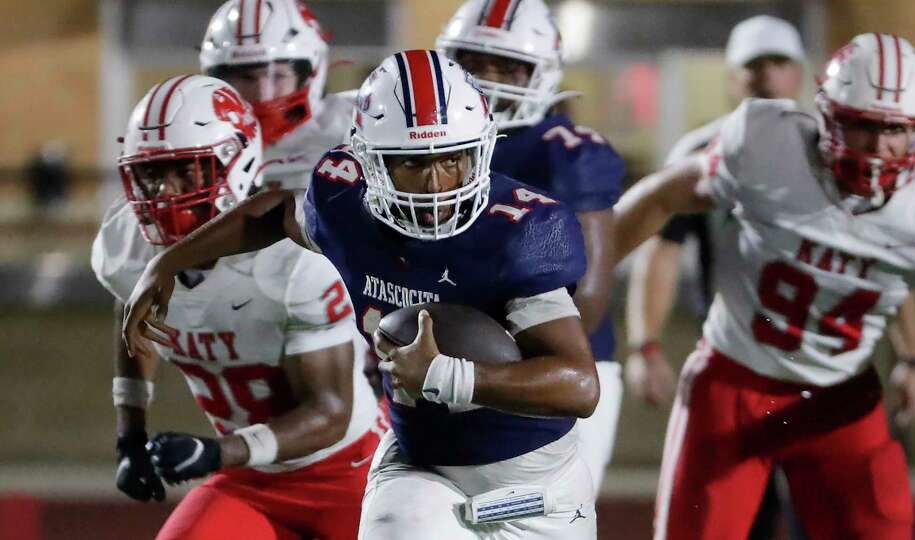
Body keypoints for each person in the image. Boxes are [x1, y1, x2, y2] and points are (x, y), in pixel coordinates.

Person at [121, 51, 600, 540]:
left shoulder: (521, 232)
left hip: (540, 483)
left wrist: (444, 374)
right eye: (412, 163)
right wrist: (166, 263)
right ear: (369, 161)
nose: (436, 186)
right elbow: (270, 213)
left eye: (452, 159)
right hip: (422, 469)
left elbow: (579, 388)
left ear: (480, 149)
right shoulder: (344, 205)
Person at [614, 33, 915, 539]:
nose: (879, 149)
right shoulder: (767, 143)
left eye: (895, 131)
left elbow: (892, 275)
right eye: (862, 126)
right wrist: (571, 277)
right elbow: (660, 198)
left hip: (840, 394)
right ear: (829, 118)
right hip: (735, 379)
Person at [92, 75, 381, 540]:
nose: (163, 192)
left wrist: (216, 453)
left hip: (349, 468)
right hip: (253, 475)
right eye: (150, 174)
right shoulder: (126, 245)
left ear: (236, 162)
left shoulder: (292, 261)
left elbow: (330, 412)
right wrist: (130, 433)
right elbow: (135, 319)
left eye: (184, 170)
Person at [436, 0, 624, 491]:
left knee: (531, 514)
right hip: (447, 356)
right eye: (473, 62)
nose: (488, 78)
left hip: (548, 361)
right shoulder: (427, 143)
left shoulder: (565, 152)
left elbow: (590, 298)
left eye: (509, 66)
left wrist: (498, 371)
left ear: (543, 75)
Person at [199, 0, 353, 191]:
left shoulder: (357, 128)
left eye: (278, 76)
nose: (263, 94)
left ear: (311, 73)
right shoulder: (199, 142)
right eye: (246, 78)